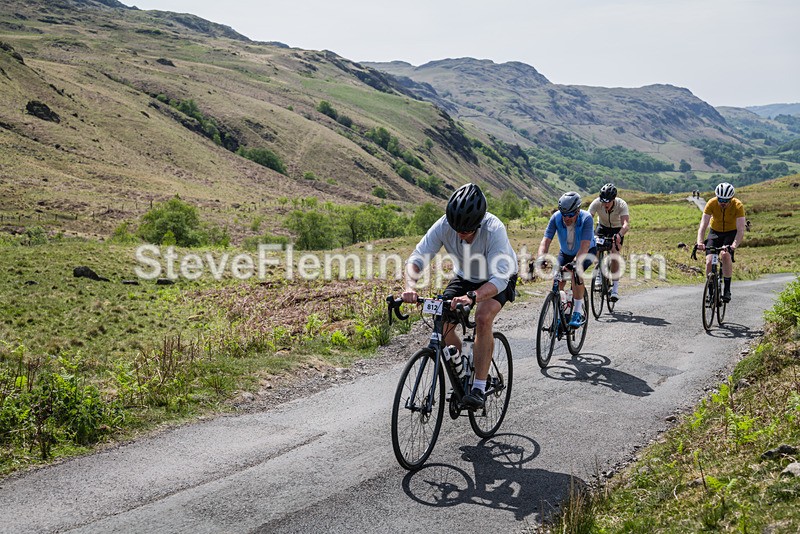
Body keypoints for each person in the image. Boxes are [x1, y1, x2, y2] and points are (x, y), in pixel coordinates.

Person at [403, 183, 518, 410]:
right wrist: (409, 287)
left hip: (498, 278)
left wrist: (473, 297)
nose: (460, 235)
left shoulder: (494, 230)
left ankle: (479, 385)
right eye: (457, 230)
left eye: (466, 231)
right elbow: (418, 257)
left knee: (484, 317)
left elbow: (500, 279)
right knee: (443, 323)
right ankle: (464, 367)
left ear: (479, 222)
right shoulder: (445, 225)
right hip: (466, 276)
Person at [535, 191, 597, 328]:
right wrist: (541, 258)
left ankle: (577, 311)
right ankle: (560, 313)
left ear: (578, 211)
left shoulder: (586, 218)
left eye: (570, 215)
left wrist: (574, 263)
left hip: (586, 251)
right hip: (566, 252)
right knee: (558, 280)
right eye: (564, 214)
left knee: (576, 272)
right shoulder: (556, 218)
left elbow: (585, 246)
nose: (566, 218)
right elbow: (545, 241)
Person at [696, 182, 745, 302]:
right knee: (709, 261)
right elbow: (703, 226)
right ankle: (710, 290)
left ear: (731, 199)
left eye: (726, 200)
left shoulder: (738, 206)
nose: (723, 202)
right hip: (715, 232)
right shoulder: (711, 203)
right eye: (720, 199)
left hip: (730, 233)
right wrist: (700, 242)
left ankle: (727, 289)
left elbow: (741, 230)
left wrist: (733, 246)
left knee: (725, 255)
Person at [587, 183, 630, 302]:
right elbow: (587, 219)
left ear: (613, 200)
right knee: (594, 247)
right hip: (602, 227)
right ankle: (599, 270)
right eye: (603, 201)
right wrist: (588, 233)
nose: (605, 204)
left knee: (614, 255)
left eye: (608, 201)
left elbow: (626, 225)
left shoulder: (621, 205)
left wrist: (619, 234)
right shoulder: (596, 203)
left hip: (617, 229)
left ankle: (615, 289)